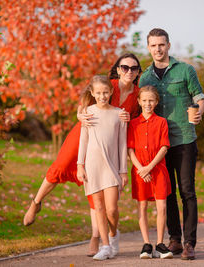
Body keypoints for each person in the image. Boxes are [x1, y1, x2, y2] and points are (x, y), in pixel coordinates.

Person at [23, 53, 142, 256]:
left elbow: (138, 120)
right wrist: (80, 115)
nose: (128, 72)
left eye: (133, 68)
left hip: (108, 142)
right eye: (125, 67)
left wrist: (129, 119)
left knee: (98, 190)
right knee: (60, 167)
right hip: (85, 130)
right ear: (118, 68)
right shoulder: (107, 84)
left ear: (138, 71)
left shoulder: (137, 94)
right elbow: (84, 105)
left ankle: (97, 236)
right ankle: (36, 202)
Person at [139, 28, 204, 260]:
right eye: (153, 45)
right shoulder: (145, 78)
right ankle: (174, 239)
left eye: (161, 44)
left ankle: (189, 243)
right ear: (148, 48)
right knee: (165, 193)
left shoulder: (185, 70)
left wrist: (198, 113)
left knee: (187, 191)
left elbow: (199, 97)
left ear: (168, 45)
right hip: (158, 145)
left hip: (184, 139)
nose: (158, 49)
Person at [76, 75, 128, 261]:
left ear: (111, 92)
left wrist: (123, 170)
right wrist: (79, 165)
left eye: (105, 92)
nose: (102, 96)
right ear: (92, 93)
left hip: (112, 166)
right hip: (92, 165)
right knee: (98, 207)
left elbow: (122, 144)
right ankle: (105, 246)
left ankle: (114, 234)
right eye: (98, 93)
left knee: (112, 209)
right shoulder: (87, 112)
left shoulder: (119, 114)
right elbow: (83, 140)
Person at [127, 85, 173, 259]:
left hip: (158, 170)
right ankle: (146, 245)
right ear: (139, 101)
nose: (148, 103)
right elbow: (130, 149)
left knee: (162, 206)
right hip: (139, 172)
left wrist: (149, 167)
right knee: (142, 206)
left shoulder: (161, 122)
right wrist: (141, 168)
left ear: (156, 102)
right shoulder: (133, 124)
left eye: (151, 100)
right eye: (144, 100)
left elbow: (164, 147)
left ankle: (160, 244)